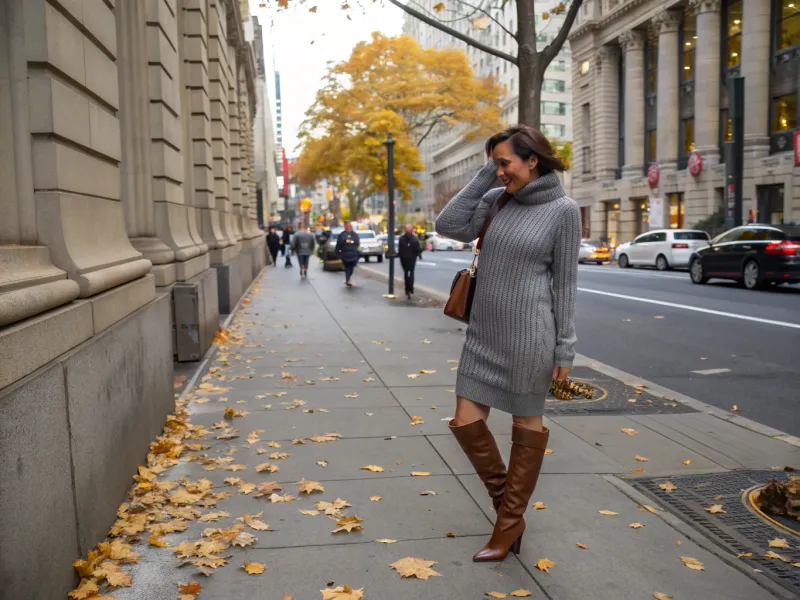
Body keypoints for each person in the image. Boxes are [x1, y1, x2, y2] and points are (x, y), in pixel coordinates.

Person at [435, 124, 580, 562]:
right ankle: (510, 514)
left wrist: (565, 349)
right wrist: (487, 174)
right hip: (483, 334)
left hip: (529, 337)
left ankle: (507, 521)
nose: (499, 171)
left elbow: (566, 285)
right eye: (494, 163)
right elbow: (448, 224)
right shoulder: (496, 199)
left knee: (525, 426)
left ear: (532, 159)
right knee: (465, 419)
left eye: (505, 162)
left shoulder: (563, 211)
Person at [398, 224, 422, 300]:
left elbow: (400, 250)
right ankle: (409, 288)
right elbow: (417, 249)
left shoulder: (404, 238)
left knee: (407, 273)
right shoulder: (413, 239)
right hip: (409, 258)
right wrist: (419, 254)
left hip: (407, 258)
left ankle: (408, 289)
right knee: (410, 273)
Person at [335, 222, 360, 287]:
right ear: (345, 226)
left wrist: (348, 242)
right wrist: (337, 252)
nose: (348, 227)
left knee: (351, 267)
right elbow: (339, 244)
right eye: (347, 226)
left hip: (353, 253)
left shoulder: (354, 234)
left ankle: (348, 278)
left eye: (349, 226)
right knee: (347, 267)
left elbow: (357, 243)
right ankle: (347, 279)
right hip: (345, 253)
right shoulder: (342, 235)